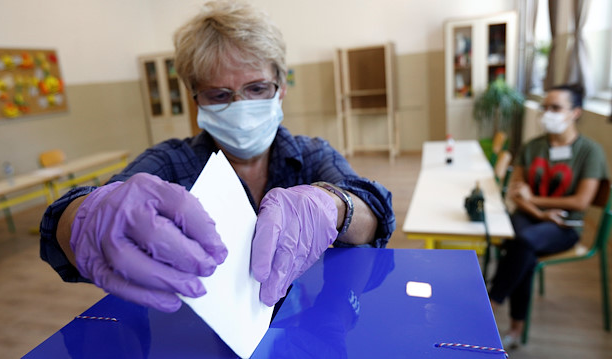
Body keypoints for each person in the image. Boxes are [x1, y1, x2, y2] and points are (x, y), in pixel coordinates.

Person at [39, 0, 395, 314]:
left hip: (306, 322)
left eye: (257, 88)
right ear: (195, 98)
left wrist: (334, 206)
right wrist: (86, 218)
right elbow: (84, 212)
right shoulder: (172, 164)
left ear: (281, 89)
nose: (240, 106)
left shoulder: (313, 154)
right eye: (219, 94)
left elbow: (374, 212)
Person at [488, 84, 609, 348]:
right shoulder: (532, 147)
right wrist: (539, 212)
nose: (547, 113)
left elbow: (581, 201)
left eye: (556, 108)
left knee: (521, 244)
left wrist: (535, 200)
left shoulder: (590, 151)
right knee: (523, 248)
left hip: (566, 224)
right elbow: (516, 193)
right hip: (531, 217)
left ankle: (491, 303)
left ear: (575, 112)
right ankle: (514, 327)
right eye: (545, 107)